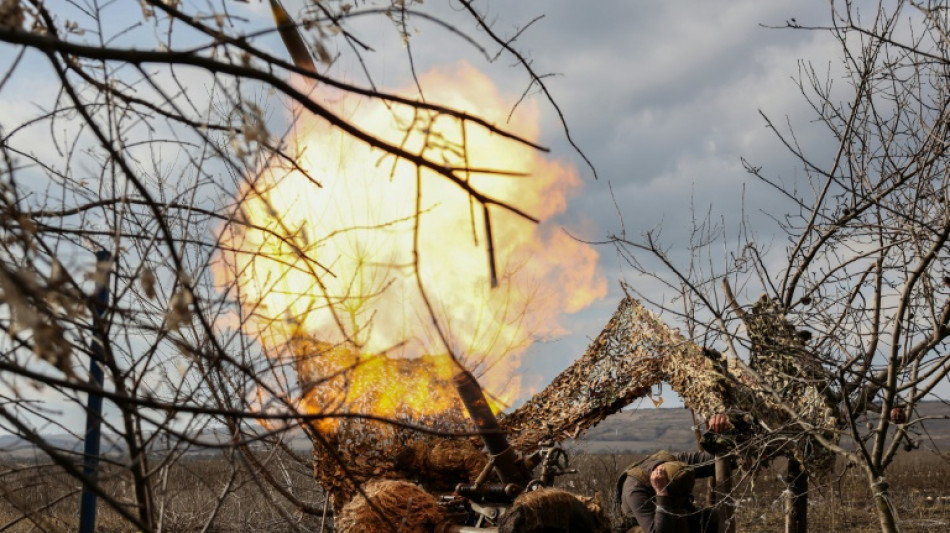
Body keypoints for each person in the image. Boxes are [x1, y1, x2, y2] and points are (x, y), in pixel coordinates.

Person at [617, 414, 732, 533]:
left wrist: (720, 432)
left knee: (711, 517)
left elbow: (715, 461)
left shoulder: (676, 461)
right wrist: (662, 494)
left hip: (673, 513)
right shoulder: (635, 490)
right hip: (645, 526)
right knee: (678, 524)